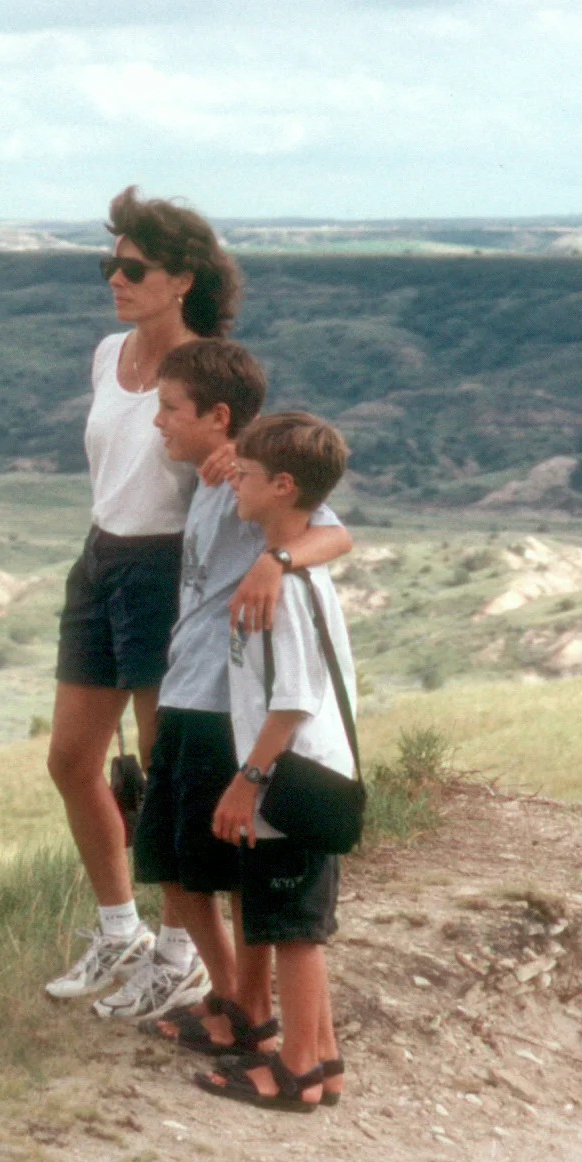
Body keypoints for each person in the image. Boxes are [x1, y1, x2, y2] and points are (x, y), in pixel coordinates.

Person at [101, 341, 353, 1027]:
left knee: (230, 867)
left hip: (222, 704)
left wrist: (274, 562)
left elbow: (335, 535)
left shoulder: (252, 481)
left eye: (169, 408)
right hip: (184, 691)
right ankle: (233, 993)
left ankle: (250, 1009)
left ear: (217, 416)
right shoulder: (214, 479)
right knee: (171, 861)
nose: (158, 421)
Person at [45, 188, 245, 1001]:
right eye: (110, 264)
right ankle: (118, 929)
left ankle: (178, 951)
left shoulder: (206, 371)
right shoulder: (108, 354)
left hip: (166, 569)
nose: (115, 279)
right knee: (70, 760)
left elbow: (247, 463)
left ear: (182, 279)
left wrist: (235, 464)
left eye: (133, 268)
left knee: (166, 776)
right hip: (100, 557)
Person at [196, 412, 357, 1111]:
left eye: (248, 474)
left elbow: (291, 700)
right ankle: (323, 1060)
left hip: (289, 779)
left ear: (283, 485)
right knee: (299, 924)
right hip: (310, 776)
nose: (235, 482)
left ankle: (293, 1072)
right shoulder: (299, 574)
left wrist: (246, 781)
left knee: (293, 932)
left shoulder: (285, 589)